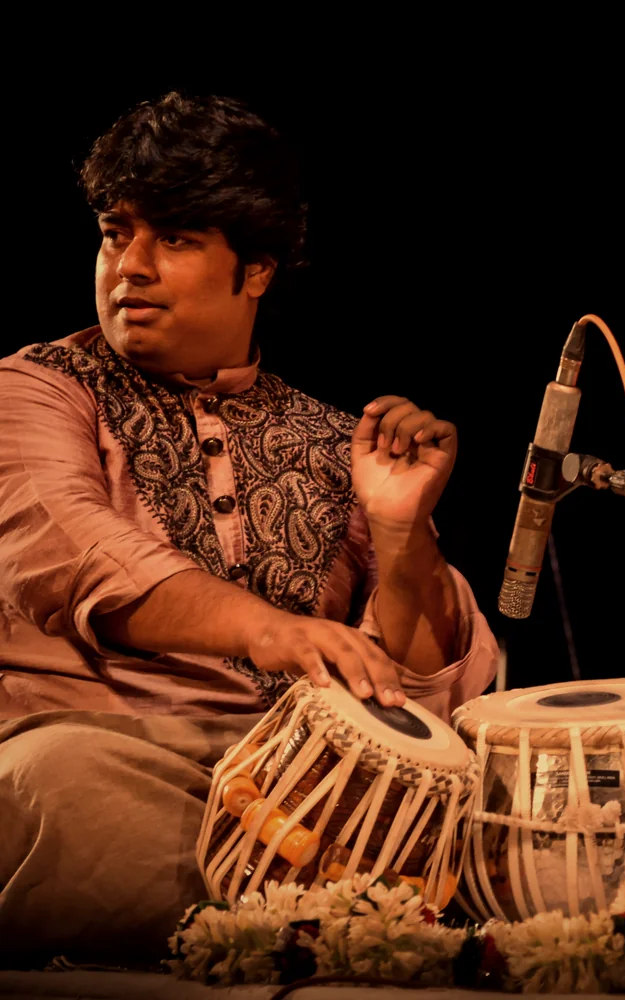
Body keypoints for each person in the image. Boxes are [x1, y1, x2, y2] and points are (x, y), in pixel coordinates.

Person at [0, 92, 498, 967]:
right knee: (59, 788)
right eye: (118, 232)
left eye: (178, 239)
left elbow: (417, 695)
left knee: (491, 780)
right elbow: (72, 547)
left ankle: (307, 918)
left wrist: (399, 536)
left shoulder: (331, 440)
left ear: (258, 270)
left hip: (292, 779)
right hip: (112, 749)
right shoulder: (38, 388)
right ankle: (339, 923)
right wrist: (275, 632)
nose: (132, 267)